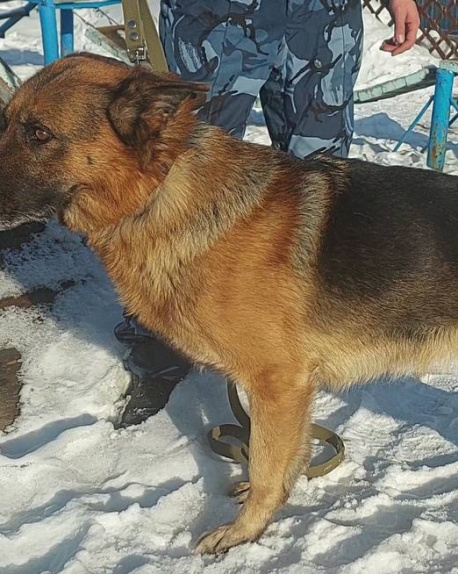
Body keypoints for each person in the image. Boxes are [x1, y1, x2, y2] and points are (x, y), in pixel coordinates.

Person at [114, 0, 421, 427]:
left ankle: (297, 344)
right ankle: (159, 348)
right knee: (176, 168)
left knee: (321, 187)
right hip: (214, 13)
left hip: (322, 14)